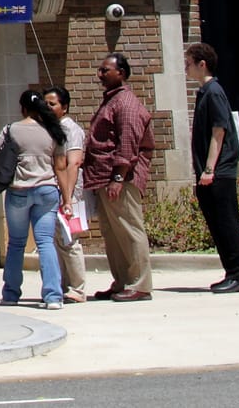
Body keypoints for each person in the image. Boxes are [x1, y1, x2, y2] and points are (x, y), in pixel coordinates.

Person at [82, 52, 153, 302]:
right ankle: (122, 281)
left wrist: (118, 178)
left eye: (105, 70)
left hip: (121, 180)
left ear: (121, 73)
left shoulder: (126, 104)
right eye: (100, 70)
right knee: (112, 233)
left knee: (129, 229)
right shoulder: (111, 101)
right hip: (103, 178)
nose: (100, 75)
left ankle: (140, 284)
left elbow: (127, 145)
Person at [184, 42, 239, 294]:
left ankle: (238, 275)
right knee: (217, 223)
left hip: (218, 173)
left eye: (189, 63)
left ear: (203, 64)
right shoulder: (205, 92)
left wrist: (210, 169)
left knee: (226, 222)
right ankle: (231, 272)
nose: (186, 68)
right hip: (208, 173)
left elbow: (219, 130)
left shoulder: (213, 92)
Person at [0, 90, 67, 309]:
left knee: (16, 243)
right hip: (47, 190)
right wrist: (67, 199)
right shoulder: (53, 130)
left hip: (19, 189)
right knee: (45, 242)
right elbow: (61, 166)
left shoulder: (11, 130)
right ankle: (53, 296)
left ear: (23, 108)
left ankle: (10, 294)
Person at [43, 86, 88, 302]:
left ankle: (78, 288)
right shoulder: (50, 129)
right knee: (56, 241)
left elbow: (74, 163)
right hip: (56, 191)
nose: (48, 108)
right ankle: (62, 285)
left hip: (71, 191)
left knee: (70, 239)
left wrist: (68, 197)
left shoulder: (71, 130)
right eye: (46, 104)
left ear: (65, 106)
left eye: (52, 104)